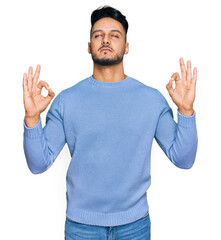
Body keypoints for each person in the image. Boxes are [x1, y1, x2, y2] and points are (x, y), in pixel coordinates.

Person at [22, 5, 198, 240]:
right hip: (80, 227)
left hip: (135, 227)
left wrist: (186, 111)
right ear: (88, 46)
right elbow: (38, 164)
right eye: (98, 35)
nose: (105, 40)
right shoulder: (66, 100)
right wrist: (32, 118)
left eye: (114, 35)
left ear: (126, 47)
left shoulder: (151, 99)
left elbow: (183, 159)